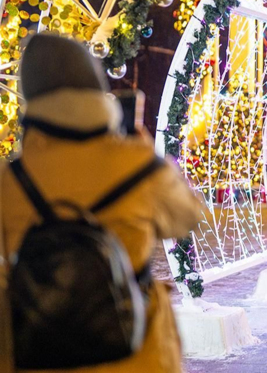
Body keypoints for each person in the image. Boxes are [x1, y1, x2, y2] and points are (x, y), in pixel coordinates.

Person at [0, 34, 207, 372]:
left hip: (38, 350)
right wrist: (147, 152)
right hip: (135, 351)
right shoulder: (137, 164)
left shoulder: (11, 179)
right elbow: (187, 218)